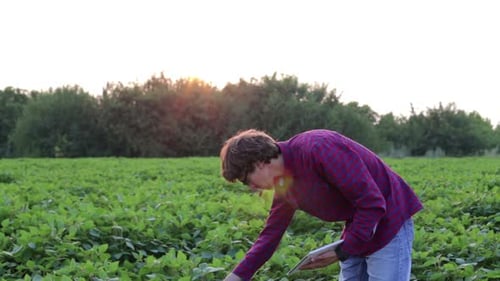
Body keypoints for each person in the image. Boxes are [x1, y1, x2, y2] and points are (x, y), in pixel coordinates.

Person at [220, 129, 423, 281]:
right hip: (359, 226)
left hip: (390, 220)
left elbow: (371, 203)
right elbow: (271, 234)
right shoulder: (284, 182)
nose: (252, 188)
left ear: (259, 162)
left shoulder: (318, 148)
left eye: (247, 180)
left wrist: (342, 251)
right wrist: (237, 276)